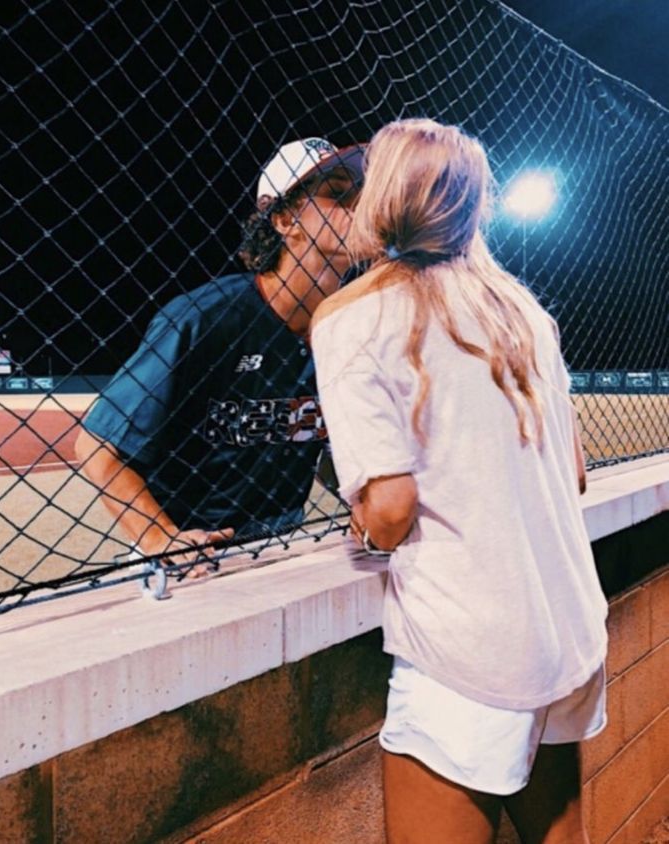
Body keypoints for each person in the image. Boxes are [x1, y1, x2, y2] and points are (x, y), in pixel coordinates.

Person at [311, 119, 608, 843]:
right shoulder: (523, 312)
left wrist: (358, 516)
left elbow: (389, 510)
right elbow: (570, 473)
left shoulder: (351, 317)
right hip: (566, 630)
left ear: (378, 199)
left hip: (469, 649)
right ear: (475, 206)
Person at [75, 137, 364, 571]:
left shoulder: (352, 328)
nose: (360, 206)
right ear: (285, 218)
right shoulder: (205, 318)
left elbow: (322, 446)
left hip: (285, 541)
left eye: (363, 194)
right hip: (193, 544)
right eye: (339, 193)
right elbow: (96, 445)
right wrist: (159, 537)